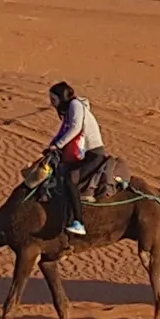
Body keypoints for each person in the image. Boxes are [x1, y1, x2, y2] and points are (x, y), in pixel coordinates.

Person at [39, 80, 105, 237]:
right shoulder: (69, 110)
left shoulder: (75, 105)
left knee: (70, 179)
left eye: (53, 100)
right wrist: (52, 146)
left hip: (93, 154)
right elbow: (63, 131)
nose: (52, 104)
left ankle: (78, 221)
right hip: (84, 153)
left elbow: (76, 128)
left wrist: (59, 145)